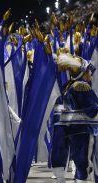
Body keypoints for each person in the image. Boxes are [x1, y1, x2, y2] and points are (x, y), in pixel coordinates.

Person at [52, 53, 98, 183]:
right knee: (82, 160)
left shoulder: (67, 85)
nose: (91, 74)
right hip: (81, 128)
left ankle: (61, 179)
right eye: (89, 71)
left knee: (62, 156)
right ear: (83, 72)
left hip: (64, 127)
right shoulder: (82, 86)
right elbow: (92, 110)